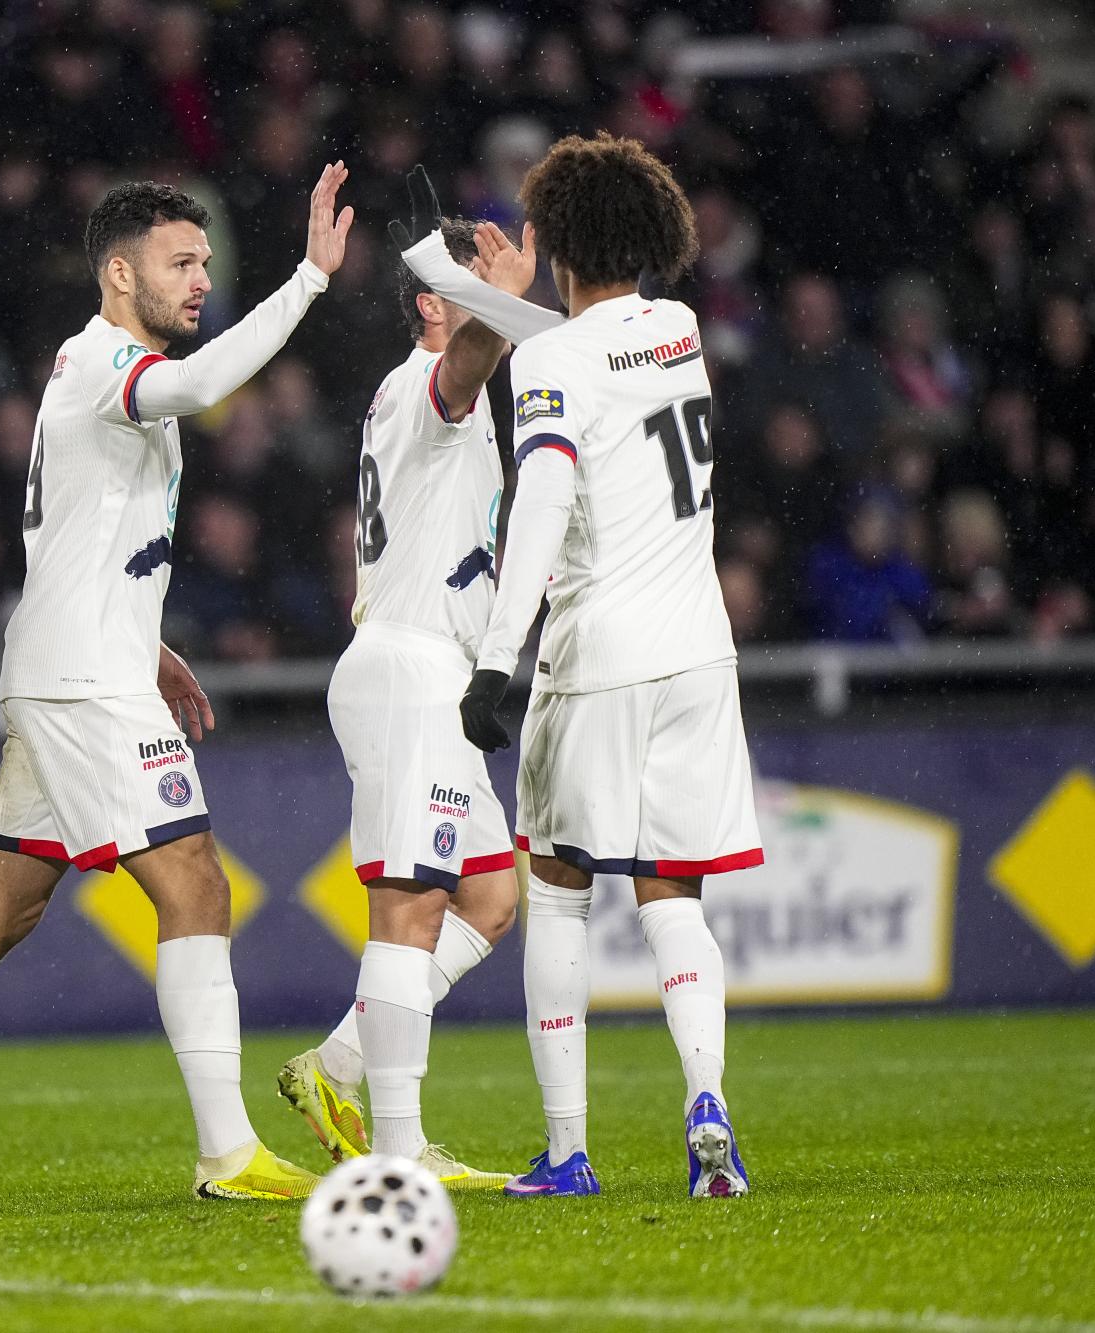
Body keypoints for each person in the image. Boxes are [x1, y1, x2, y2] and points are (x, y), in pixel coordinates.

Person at [0, 166, 355, 1204]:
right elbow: (196, 387)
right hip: (81, 682)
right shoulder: (111, 360)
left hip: (82, 661)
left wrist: (144, 640)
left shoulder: (97, 369)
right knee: (194, 879)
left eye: (202, 261)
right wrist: (309, 283)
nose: (199, 280)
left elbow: (77, 533)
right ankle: (228, 1153)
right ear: (117, 271)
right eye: (178, 263)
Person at [454, 133, 762, 1199]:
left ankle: (568, 1149)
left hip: (596, 655)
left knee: (560, 893)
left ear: (552, 241)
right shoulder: (677, 331)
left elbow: (539, 500)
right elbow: (593, 352)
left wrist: (497, 659)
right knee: (671, 893)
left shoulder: (546, 364)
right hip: (696, 652)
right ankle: (706, 1104)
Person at [276, 209, 533, 1192]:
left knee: (487, 897)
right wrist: (502, 294)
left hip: (434, 672)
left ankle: (334, 1064)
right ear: (434, 300)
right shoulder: (427, 387)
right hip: (407, 668)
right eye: (464, 281)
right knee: (409, 903)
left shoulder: (433, 398)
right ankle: (394, 1147)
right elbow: (467, 363)